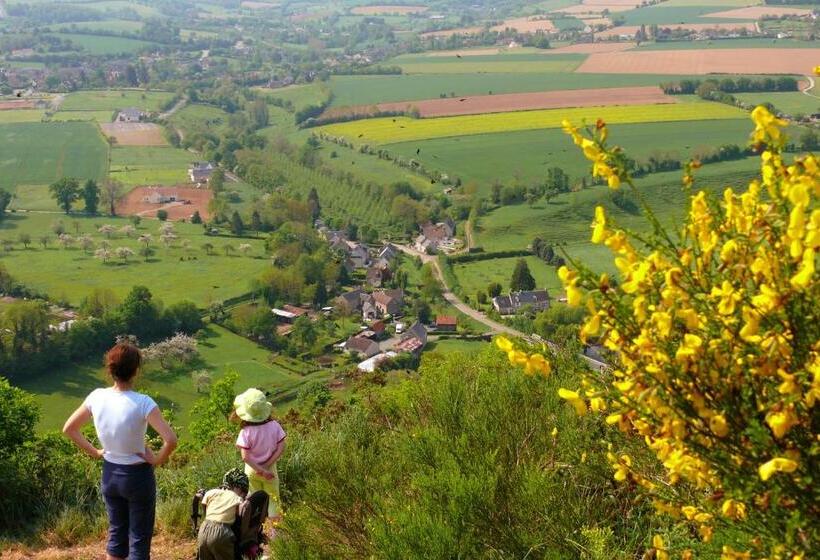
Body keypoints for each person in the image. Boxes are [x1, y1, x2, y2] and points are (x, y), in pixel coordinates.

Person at [63, 342, 178, 560]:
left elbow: (70, 429)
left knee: (116, 536)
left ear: (110, 369)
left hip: (110, 475)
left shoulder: (96, 396)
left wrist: (95, 452)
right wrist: (157, 460)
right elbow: (171, 439)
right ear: (136, 370)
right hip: (137, 476)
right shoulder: (144, 402)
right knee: (139, 539)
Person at [232, 388, 286, 528]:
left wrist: (259, 469)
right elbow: (281, 447)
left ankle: (254, 531)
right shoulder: (274, 426)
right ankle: (276, 534)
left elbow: (245, 457)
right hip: (270, 470)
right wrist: (267, 466)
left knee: (253, 500)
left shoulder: (246, 432)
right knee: (274, 500)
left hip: (252, 471)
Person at [197, 469, 248, 560]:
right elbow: (240, 513)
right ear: (236, 487)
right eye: (243, 491)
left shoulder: (211, 492)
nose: (244, 494)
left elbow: (204, 506)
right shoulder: (237, 498)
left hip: (203, 529)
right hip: (222, 532)